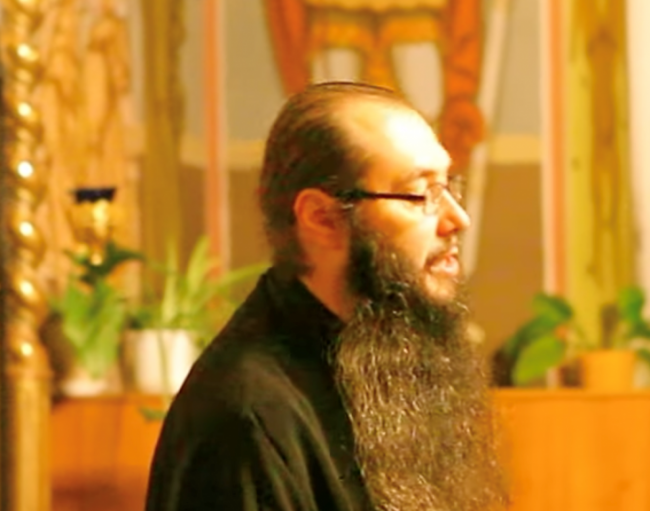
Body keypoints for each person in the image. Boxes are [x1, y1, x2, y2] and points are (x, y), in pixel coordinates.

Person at [144, 82, 509, 511]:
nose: (457, 218)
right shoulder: (246, 416)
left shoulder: (383, 365)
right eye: (422, 195)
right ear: (322, 219)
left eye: (448, 186)